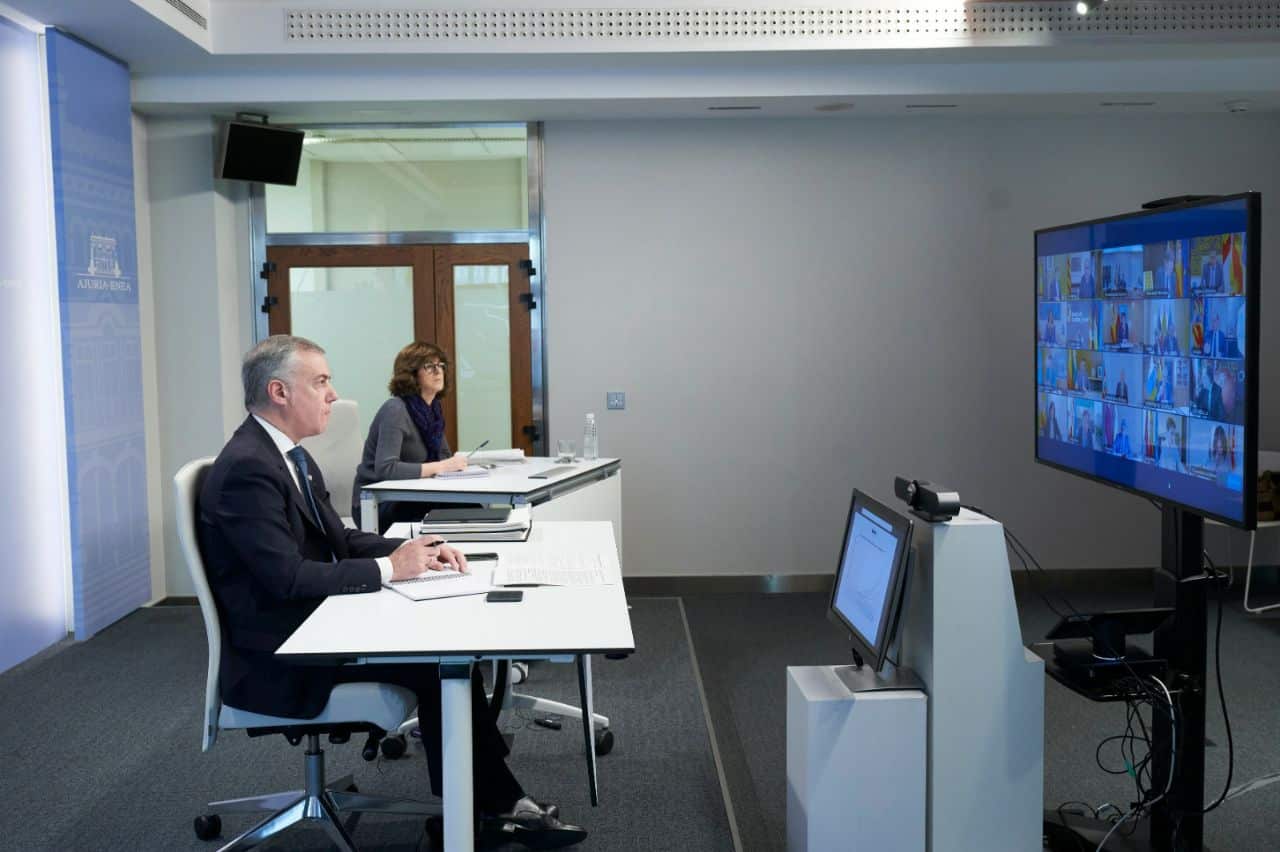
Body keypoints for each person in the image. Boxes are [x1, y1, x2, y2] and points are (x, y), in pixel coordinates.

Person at [199, 336, 585, 849]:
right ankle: (490, 807)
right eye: (321, 381)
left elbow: (338, 538)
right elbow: (287, 579)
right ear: (279, 391)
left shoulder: (287, 455)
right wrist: (388, 568)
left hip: (311, 625)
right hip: (282, 654)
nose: (334, 394)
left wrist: (416, 548)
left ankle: (484, 801)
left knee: (450, 653)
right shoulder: (248, 469)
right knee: (441, 661)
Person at [352, 342, 470, 532]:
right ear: (411, 373)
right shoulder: (395, 409)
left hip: (414, 495)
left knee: (471, 510)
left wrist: (456, 465)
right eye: (429, 366)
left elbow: (443, 457)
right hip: (378, 505)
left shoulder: (433, 410)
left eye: (441, 366)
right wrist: (441, 467)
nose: (438, 371)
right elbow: (386, 469)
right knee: (464, 514)